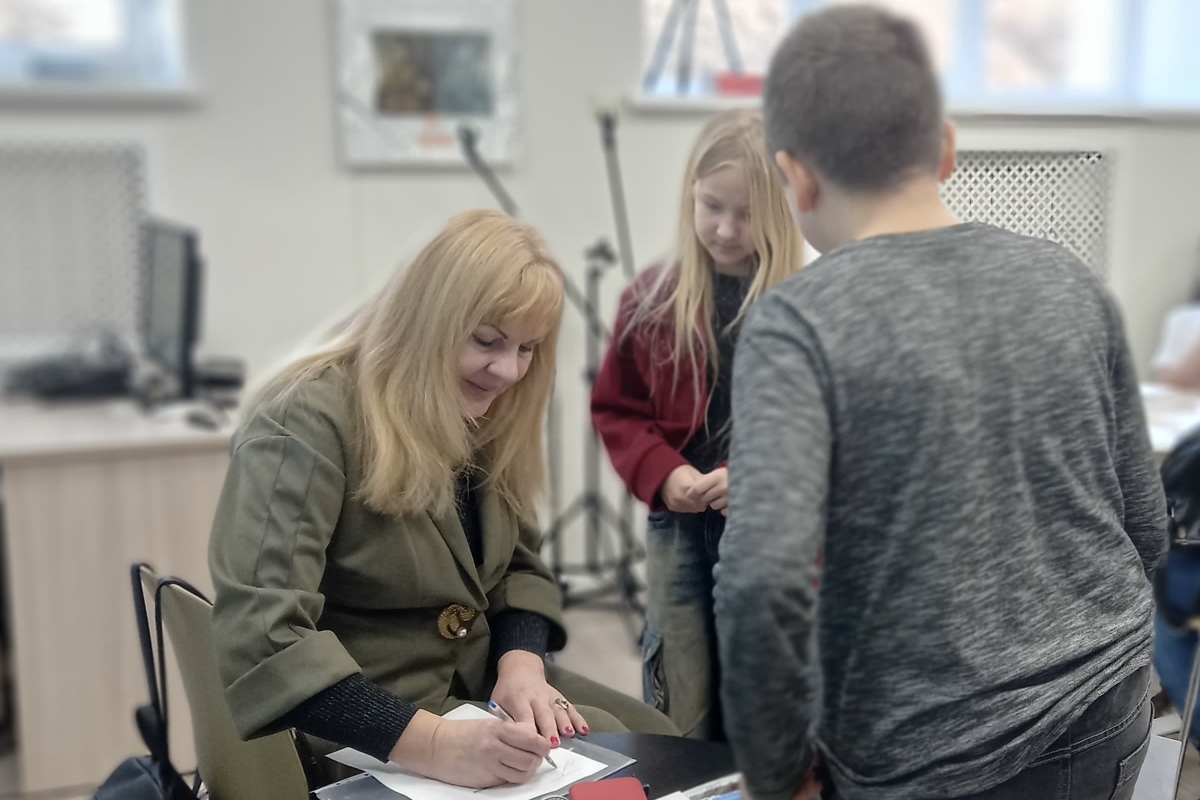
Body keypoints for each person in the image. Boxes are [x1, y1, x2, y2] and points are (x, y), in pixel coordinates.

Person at [714, 7, 1166, 800]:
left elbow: (761, 584)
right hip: (1109, 702)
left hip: (925, 751)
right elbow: (1145, 519)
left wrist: (776, 774)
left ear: (795, 176)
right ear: (947, 149)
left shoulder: (798, 322)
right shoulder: (1067, 279)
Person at [209, 210, 677, 791]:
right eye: (486, 341)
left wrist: (522, 665)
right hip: (359, 717)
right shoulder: (304, 421)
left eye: (527, 348)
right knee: (610, 764)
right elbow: (265, 637)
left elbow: (519, 569)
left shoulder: (482, 409)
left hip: (474, 680)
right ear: (426, 318)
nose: (508, 371)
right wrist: (431, 744)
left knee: (658, 741)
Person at [591, 109, 805, 740]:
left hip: (769, 531)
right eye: (713, 206)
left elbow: (824, 428)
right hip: (678, 528)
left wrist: (757, 478)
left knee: (762, 689)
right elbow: (618, 410)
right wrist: (665, 474)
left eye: (747, 213)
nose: (726, 229)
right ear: (691, 191)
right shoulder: (650, 298)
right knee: (680, 689)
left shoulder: (805, 305)